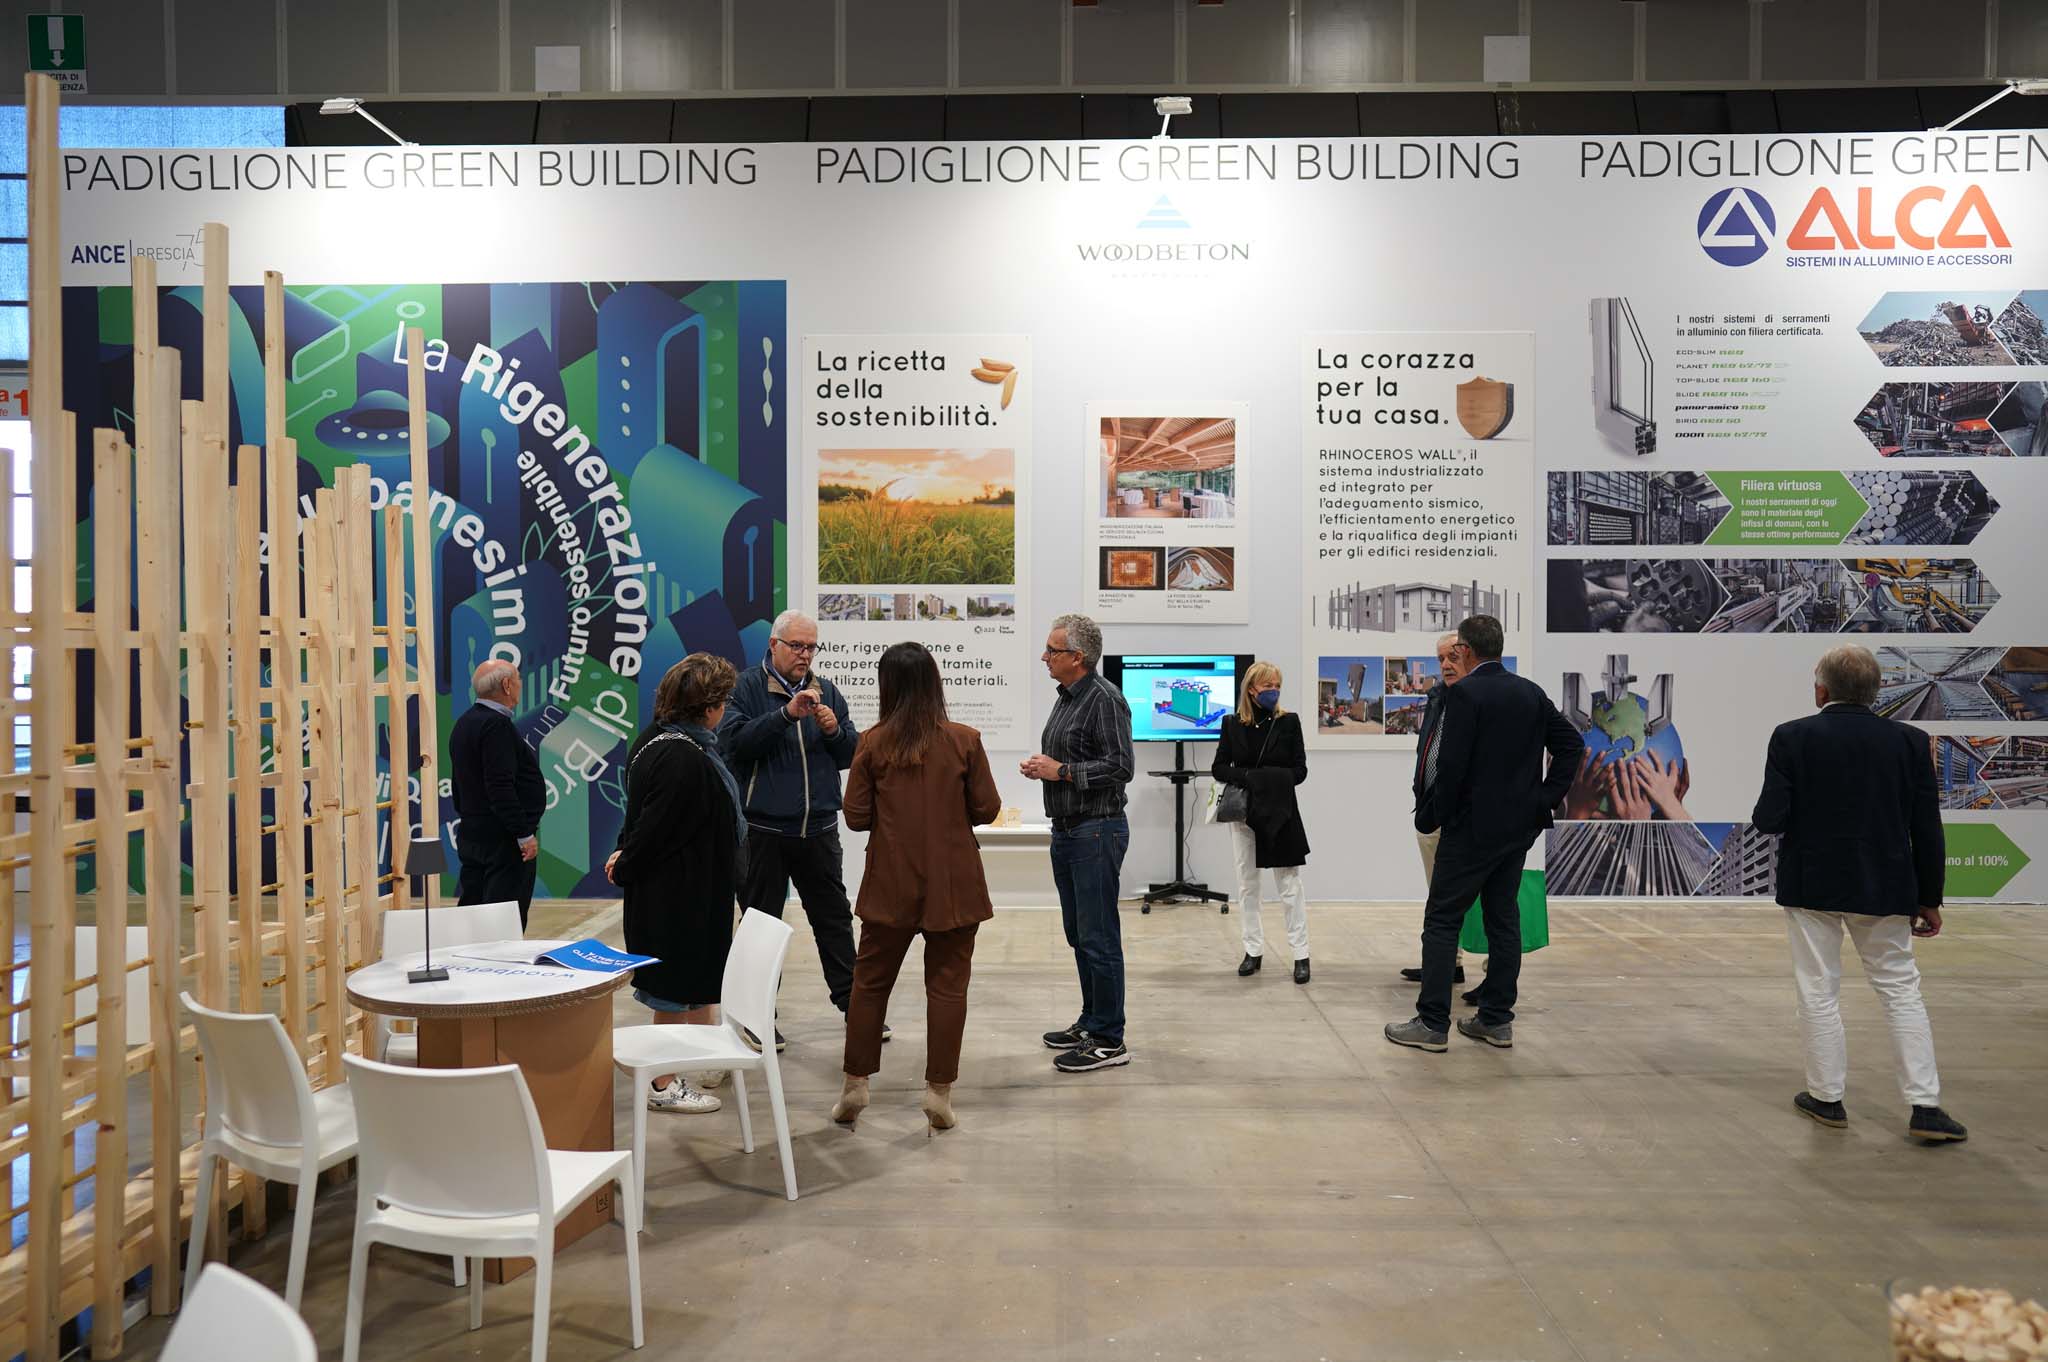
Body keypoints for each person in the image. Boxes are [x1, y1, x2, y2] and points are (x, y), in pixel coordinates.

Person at [1750, 644, 1966, 1143]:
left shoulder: (1791, 736)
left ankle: (1826, 1098)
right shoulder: (1910, 742)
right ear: (1876, 692)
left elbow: (1769, 819)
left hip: (1812, 884)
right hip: (1886, 885)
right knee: (1900, 990)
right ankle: (1925, 1106)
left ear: (1821, 690)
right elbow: (1926, 828)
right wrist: (1930, 897)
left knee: (1817, 988)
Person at [1388, 615, 1582, 1053]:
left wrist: (1436, 815)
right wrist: (1544, 798)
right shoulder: (1530, 692)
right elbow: (1571, 745)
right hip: (1517, 830)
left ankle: (1432, 1023)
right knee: (1503, 920)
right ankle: (1496, 1021)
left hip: (1470, 830)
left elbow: (1451, 766)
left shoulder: (1466, 694)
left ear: (1466, 650)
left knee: (1442, 920)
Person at [831, 643, 1002, 1131]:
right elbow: (987, 809)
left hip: (890, 881)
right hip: (954, 884)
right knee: (947, 988)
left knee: (869, 983)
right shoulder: (965, 740)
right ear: (934, 682)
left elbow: (856, 816)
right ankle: (938, 1092)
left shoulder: (872, 742)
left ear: (886, 685)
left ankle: (855, 1083)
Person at [719, 609, 863, 1052]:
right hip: (762, 831)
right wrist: (784, 715)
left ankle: (856, 1008)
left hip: (818, 829)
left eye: (811, 647)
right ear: (773, 645)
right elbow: (734, 745)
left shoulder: (827, 690)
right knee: (761, 926)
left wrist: (834, 731)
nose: (805, 655)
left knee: (834, 919)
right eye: (797, 646)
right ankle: (757, 1018)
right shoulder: (745, 688)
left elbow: (851, 755)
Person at [607, 653, 745, 1117]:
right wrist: (626, 861)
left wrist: (625, 853)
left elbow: (639, 815)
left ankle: (703, 1059)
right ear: (707, 707)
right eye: (723, 701)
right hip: (678, 897)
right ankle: (662, 1083)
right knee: (672, 991)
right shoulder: (683, 756)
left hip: (687, 891)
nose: (725, 709)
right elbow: (656, 827)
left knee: (694, 984)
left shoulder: (657, 740)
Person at [1023, 613, 1135, 1074]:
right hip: (1069, 830)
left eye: (1052, 650)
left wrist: (1063, 771)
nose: (1044, 657)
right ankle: (1092, 1021)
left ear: (1078, 657)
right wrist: (1046, 769)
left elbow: (1121, 766)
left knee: (1098, 936)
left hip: (1096, 830)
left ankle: (1109, 1039)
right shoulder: (1068, 697)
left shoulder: (1105, 698)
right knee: (1079, 934)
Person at [1214, 661, 1312, 983]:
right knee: (1248, 884)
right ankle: (1252, 950)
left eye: (1277, 685)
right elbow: (1219, 768)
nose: (1274, 691)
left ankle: (1301, 955)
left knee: (1290, 885)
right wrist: (1252, 778)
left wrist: (1261, 779)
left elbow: (1300, 770)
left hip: (1282, 813)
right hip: (1245, 814)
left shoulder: (1289, 722)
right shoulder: (1231, 724)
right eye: (1268, 685)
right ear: (1251, 688)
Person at [448, 659, 545, 928]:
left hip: (474, 833)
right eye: (518, 679)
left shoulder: (465, 722)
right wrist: (523, 833)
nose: (520, 684)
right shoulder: (496, 726)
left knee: (474, 911)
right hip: (502, 840)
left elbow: (459, 784)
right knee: (503, 919)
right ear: (506, 685)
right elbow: (500, 785)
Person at [1403, 633, 1473, 991]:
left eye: (1452, 657)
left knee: (1484, 900)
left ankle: (1490, 971)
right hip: (1431, 812)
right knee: (1437, 895)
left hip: (1467, 819)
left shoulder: (1479, 700)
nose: (1446, 664)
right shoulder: (1436, 699)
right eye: (1440, 658)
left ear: (1470, 656)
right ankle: (1446, 963)